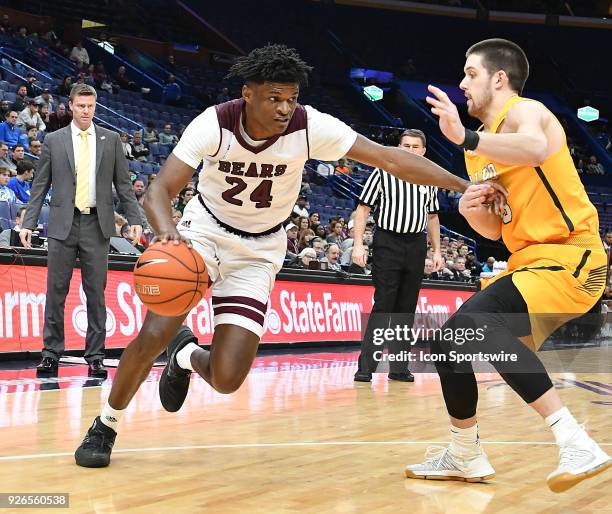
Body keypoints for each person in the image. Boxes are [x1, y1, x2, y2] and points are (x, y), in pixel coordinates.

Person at [73, 43, 470, 468]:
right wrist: (168, 236)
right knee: (154, 333)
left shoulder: (310, 126)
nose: (284, 108)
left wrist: (465, 187)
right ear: (248, 93)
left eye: (291, 99)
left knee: (227, 378)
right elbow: (159, 190)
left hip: (259, 250)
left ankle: (185, 355)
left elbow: (388, 158)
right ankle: (106, 424)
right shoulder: (215, 122)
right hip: (202, 236)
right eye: (274, 98)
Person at [404, 38, 610, 492]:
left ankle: (577, 443)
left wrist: (465, 135)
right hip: (527, 261)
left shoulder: (524, 112)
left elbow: (535, 149)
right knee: (449, 343)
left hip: (572, 256)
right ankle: (464, 453)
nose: (462, 83)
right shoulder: (478, 151)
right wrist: (473, 205)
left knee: (477, 327)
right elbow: (494, 231)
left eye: (470, 73)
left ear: (499, 78)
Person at [20, 84, 142, 378]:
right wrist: (28, 223)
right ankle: (50, 354)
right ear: (71, 106)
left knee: (96, 294)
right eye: (81, 106)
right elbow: (40, 186)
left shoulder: (110, 140)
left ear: (95, 107)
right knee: (56, 292)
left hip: (96, 225)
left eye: (91, 106)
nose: (86, 111)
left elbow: (124, 185)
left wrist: (134, 218)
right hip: (62, 224)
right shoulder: (54, 140)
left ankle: (96, 356)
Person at [353, 129, 444, 383]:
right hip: (387, 241)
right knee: (383, 305)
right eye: (406, 145)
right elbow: (362, 209)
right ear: (399, 147)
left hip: (416, 244)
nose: (411, 150)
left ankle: (399, 368)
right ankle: (366, 367)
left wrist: (436, 250)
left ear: (423, 151)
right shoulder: (383, 171)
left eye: (416, 146)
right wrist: (358, 244)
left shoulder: (429, 179)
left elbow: (433, 216)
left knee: (406, 308)